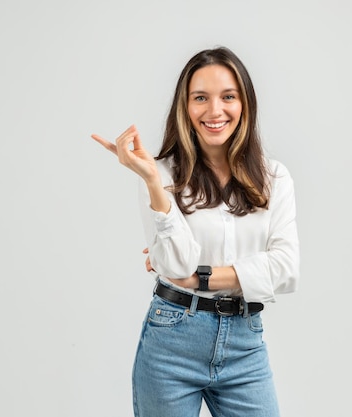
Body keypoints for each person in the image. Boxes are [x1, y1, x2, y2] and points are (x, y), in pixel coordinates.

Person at [90, 46, 300, 417]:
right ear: (184, 107)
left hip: (245, 343)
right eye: (200, 98)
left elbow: (285, 269)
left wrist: (201, 277)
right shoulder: (161, 173)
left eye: (228, 97)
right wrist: (154, 182)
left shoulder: (274, 178)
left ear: (245, 103)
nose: (214, 111)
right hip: (172, 340)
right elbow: (175, 265)